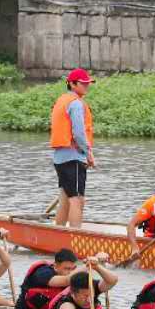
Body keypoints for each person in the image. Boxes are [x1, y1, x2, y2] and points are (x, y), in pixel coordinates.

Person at [49, 67, 95, 228]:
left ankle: (58, 232)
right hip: (73, 157)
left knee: (65, 197)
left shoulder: (62, 100)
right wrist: (88, 153)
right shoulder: (75, 104)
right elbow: (79, 133)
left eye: (88, 83)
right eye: (83, 83)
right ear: (73, 84)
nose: (87, 86)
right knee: (77, 199)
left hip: (61, 159)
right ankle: (76, 237)